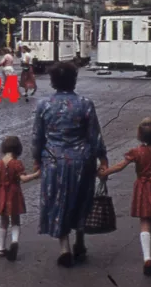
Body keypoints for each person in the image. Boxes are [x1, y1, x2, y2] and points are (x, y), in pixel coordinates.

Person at [32, 61, 108, 268]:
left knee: (58, 201)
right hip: (82, 160)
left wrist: (37, 160)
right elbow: (95, 135)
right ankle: (80, 241)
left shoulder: (44, 105)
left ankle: (64, 247)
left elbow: (37, 137)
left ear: (53, 81)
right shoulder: (85, 103)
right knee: (82, 199)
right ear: (74, 80)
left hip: (54, 161)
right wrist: (103, 159)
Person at [99, 117, 151, 277]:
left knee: (145, 221)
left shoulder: (137, 152)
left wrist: (105, 172)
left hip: (143, 187)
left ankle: (147, 257)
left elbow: (121, 165)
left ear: (140, 135)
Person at [0, 136, 40, 261]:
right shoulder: (17, 164)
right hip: (14, 194)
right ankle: (14, 241)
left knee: (3, 221)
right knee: (15, 219)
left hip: (1, 194)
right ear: (18, 149)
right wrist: (36, 175)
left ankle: (1, 248)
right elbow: (24, 179)